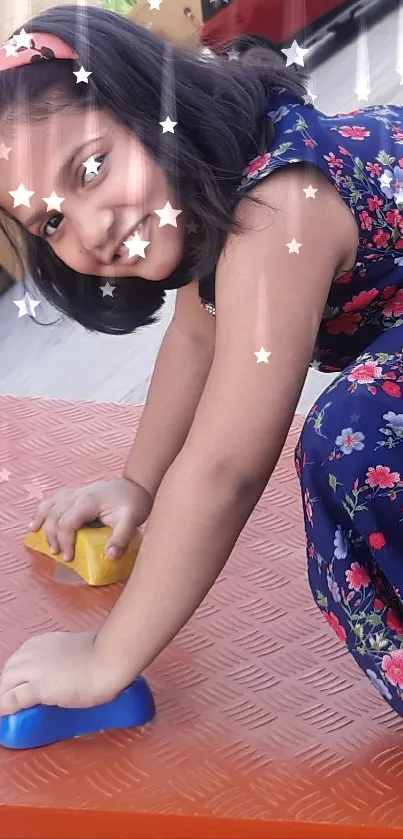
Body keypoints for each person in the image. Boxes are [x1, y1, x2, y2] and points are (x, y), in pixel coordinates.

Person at [0, 3, 402, 719]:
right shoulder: (220, 195)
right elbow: (196, 336)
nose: (89, 226)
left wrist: (106, 657)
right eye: (50, 220)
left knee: (354, 432)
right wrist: (138, 483)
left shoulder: (279, 212)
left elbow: (225, 467)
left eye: (91, 167)